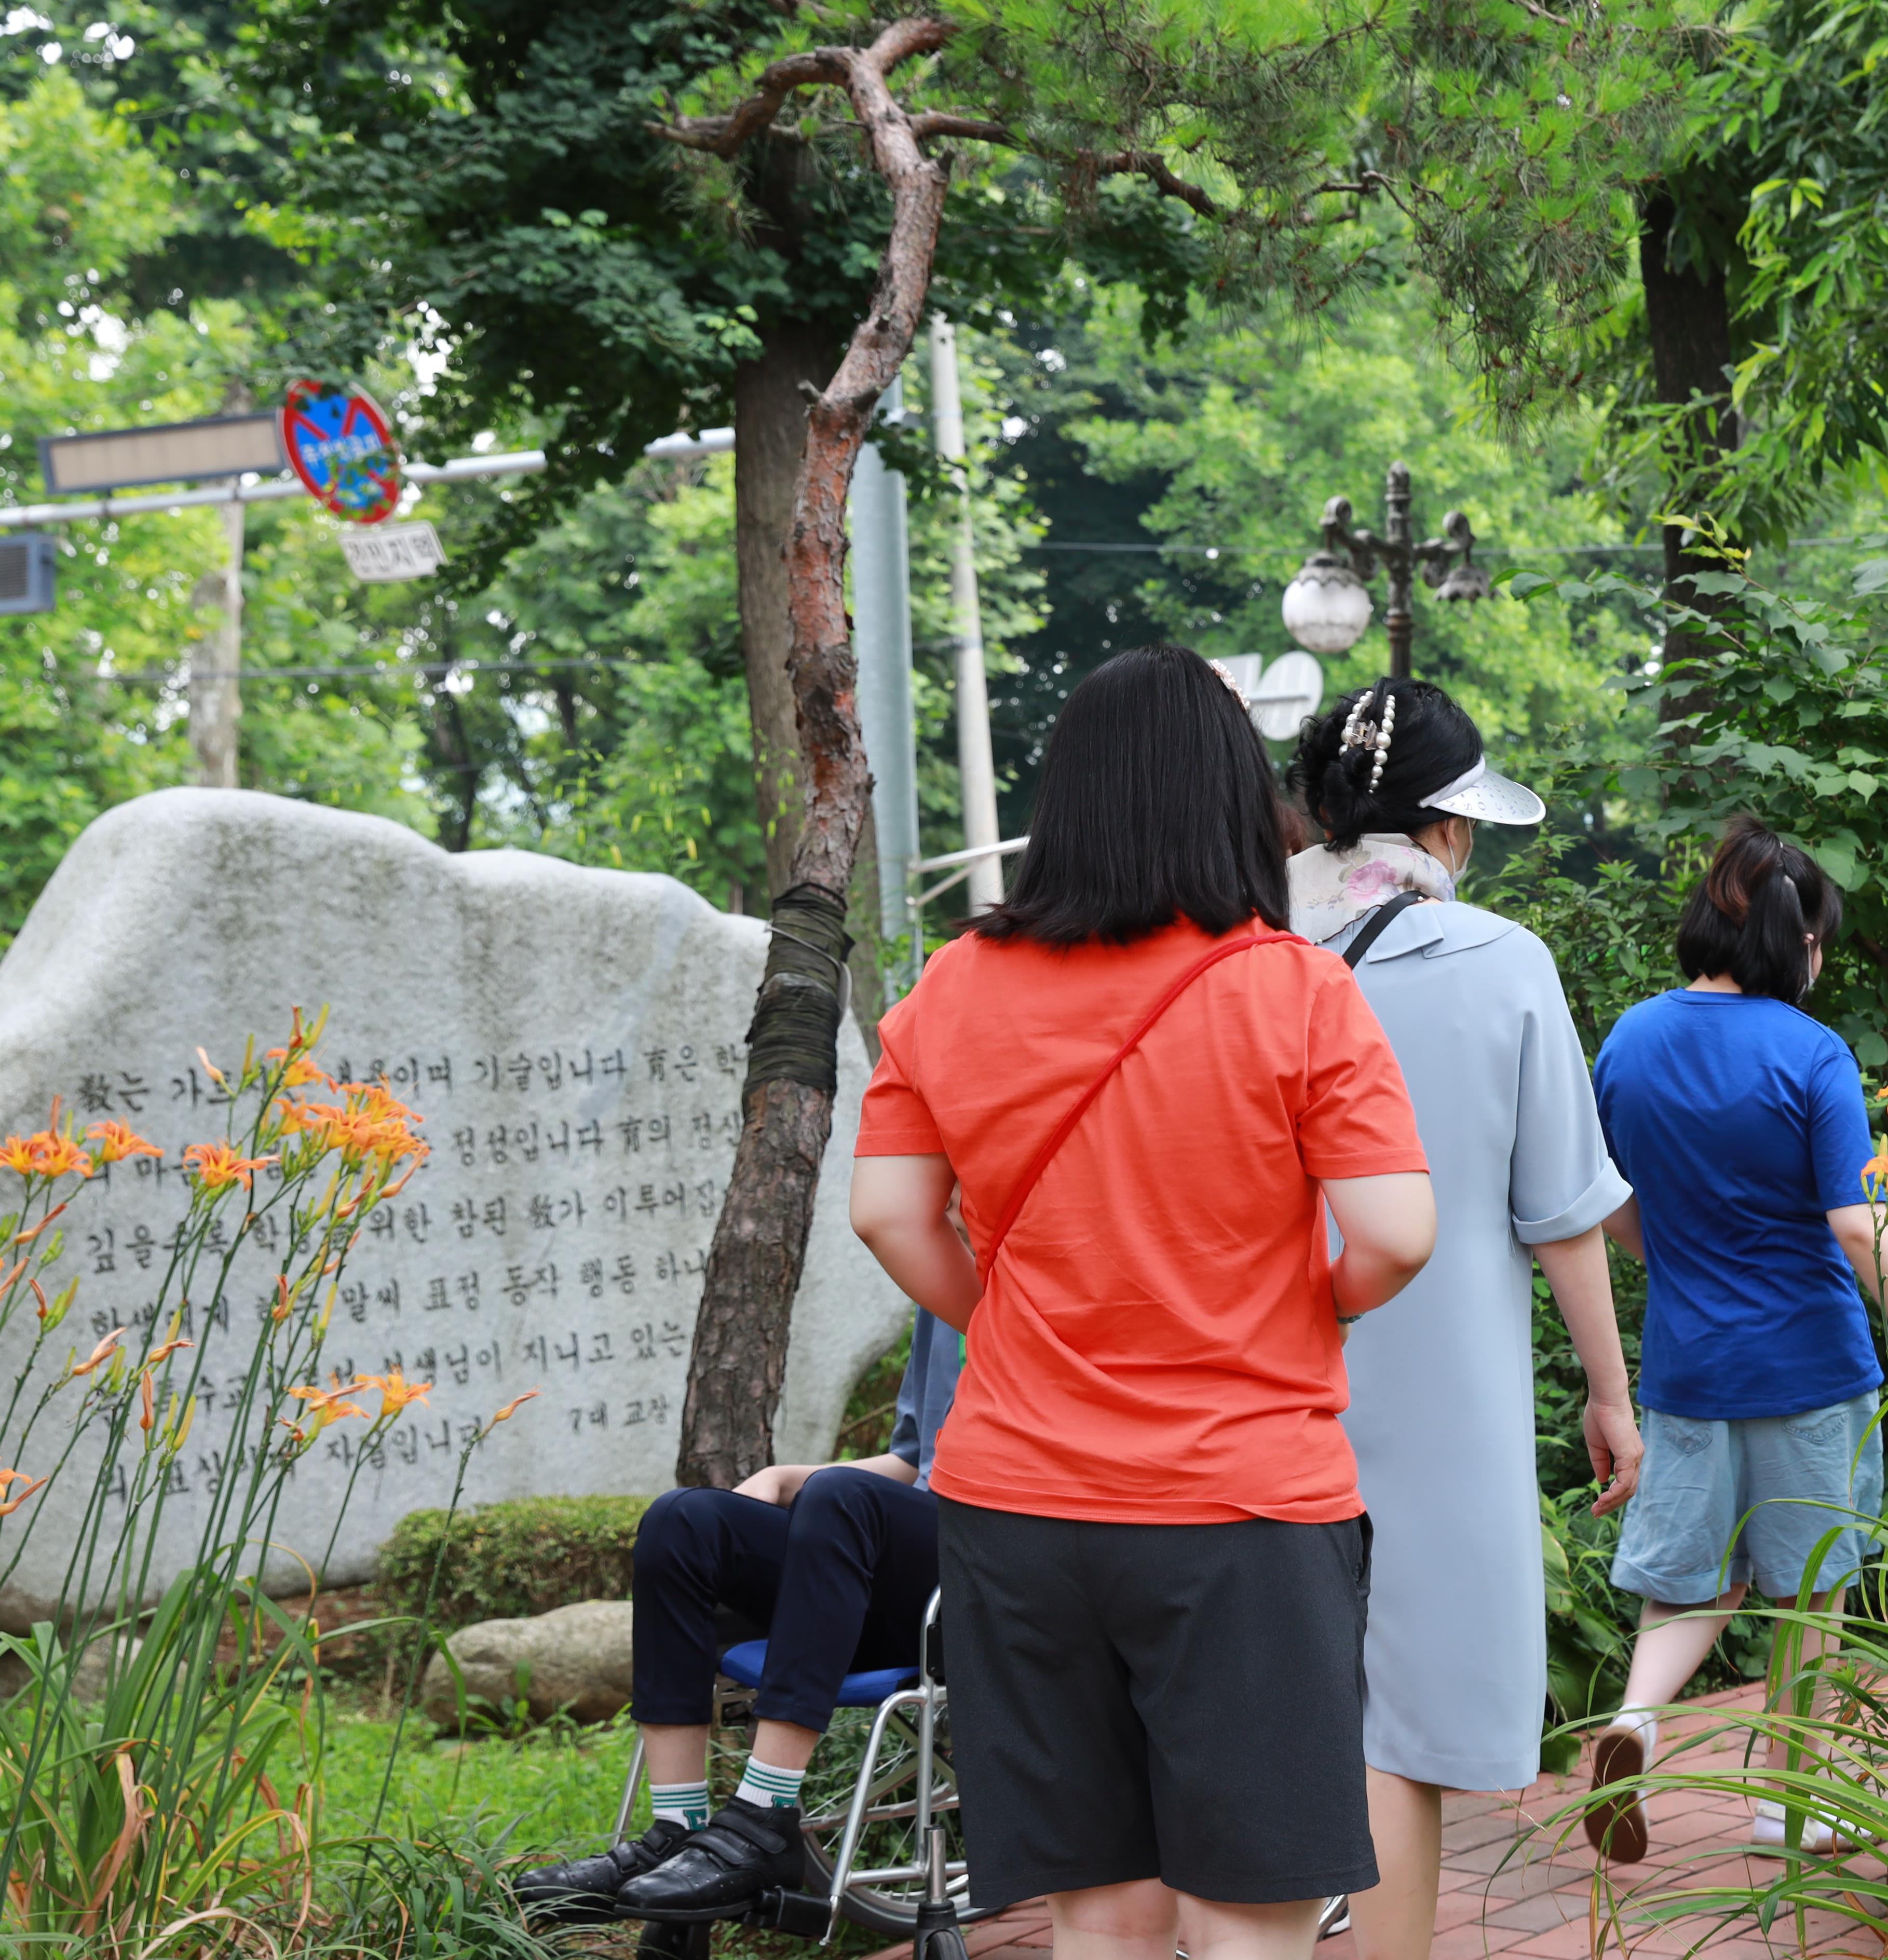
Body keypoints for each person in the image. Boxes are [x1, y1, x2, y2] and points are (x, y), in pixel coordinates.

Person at [848, 647, 1439, 1960]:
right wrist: (1315, 1307)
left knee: (1099, 1915)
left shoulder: (953, 985)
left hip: (1016, 1508)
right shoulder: (1295, 987)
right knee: (1248, 1919)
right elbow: (1399, 1235)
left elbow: (887, 1213)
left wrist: (1004, 1316)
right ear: (1231, 798)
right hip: (1240, 1509)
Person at [1282, 679, 1643, 1960]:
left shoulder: (1249, 954)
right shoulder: (1502, 961)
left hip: (1265, 1377)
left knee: (1276, 1714)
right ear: (1448, 826)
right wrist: (1611, 1392)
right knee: (1403, 1729)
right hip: (1449, 1390)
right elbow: (1563, 1210)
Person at [1580, 819, 1888, 1864]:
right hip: (1809, 1366)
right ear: (1802, 941)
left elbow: (1603, 1198)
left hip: (1689, 1366)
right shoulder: (1811, 1051)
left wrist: (1677, 1260)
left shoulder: (1631, 1041)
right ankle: (1787, 1807)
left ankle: (1637, 1720)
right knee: (1810, 1594)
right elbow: (1856, 1223)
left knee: (1694, 1581)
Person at [511, 1305, 964, 1924]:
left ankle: (763, 1818)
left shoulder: (1050, 1282)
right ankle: (677, 1829)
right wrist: (783, 1478)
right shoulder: (939, 1292)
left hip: (986, 1569)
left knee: (840, 1497)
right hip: (890, 1573)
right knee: (683, 1520)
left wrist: (833, 1495)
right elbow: (913, 1461)